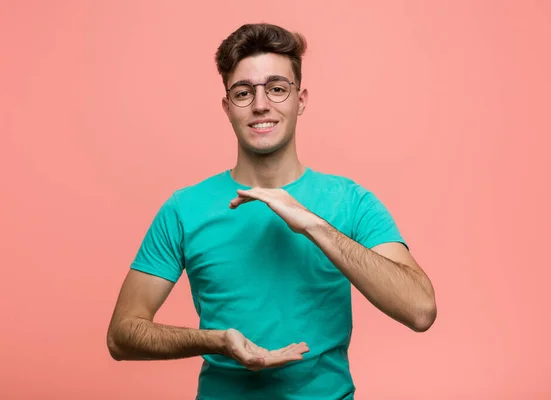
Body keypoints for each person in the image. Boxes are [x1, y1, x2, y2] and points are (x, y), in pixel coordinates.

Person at [107, 23, 437, 400]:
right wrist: (216, 341)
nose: (261, 104)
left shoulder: (352, 201)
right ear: (227, 106)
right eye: (244, 92)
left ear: (301, 100)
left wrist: (313, 224)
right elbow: (122, 336)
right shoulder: (184, 208)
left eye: (277, 88)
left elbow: (420, 310)